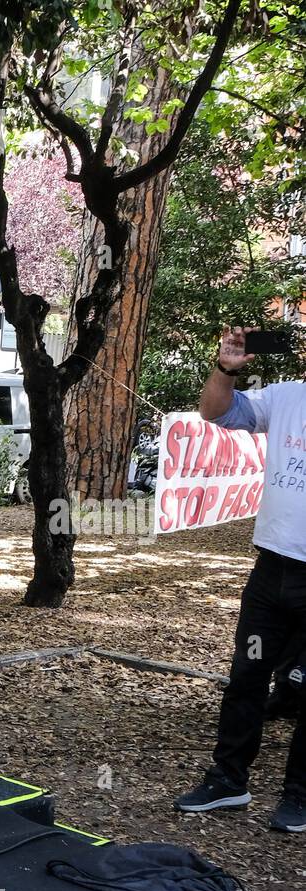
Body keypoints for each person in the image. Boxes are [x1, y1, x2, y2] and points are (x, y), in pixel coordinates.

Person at [174, 325, 306, 831]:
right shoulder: (286, 397)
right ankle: (229, 780)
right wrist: (226, 369)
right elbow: (216, 412)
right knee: (247, 676)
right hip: (272, 567)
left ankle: (299, 795)